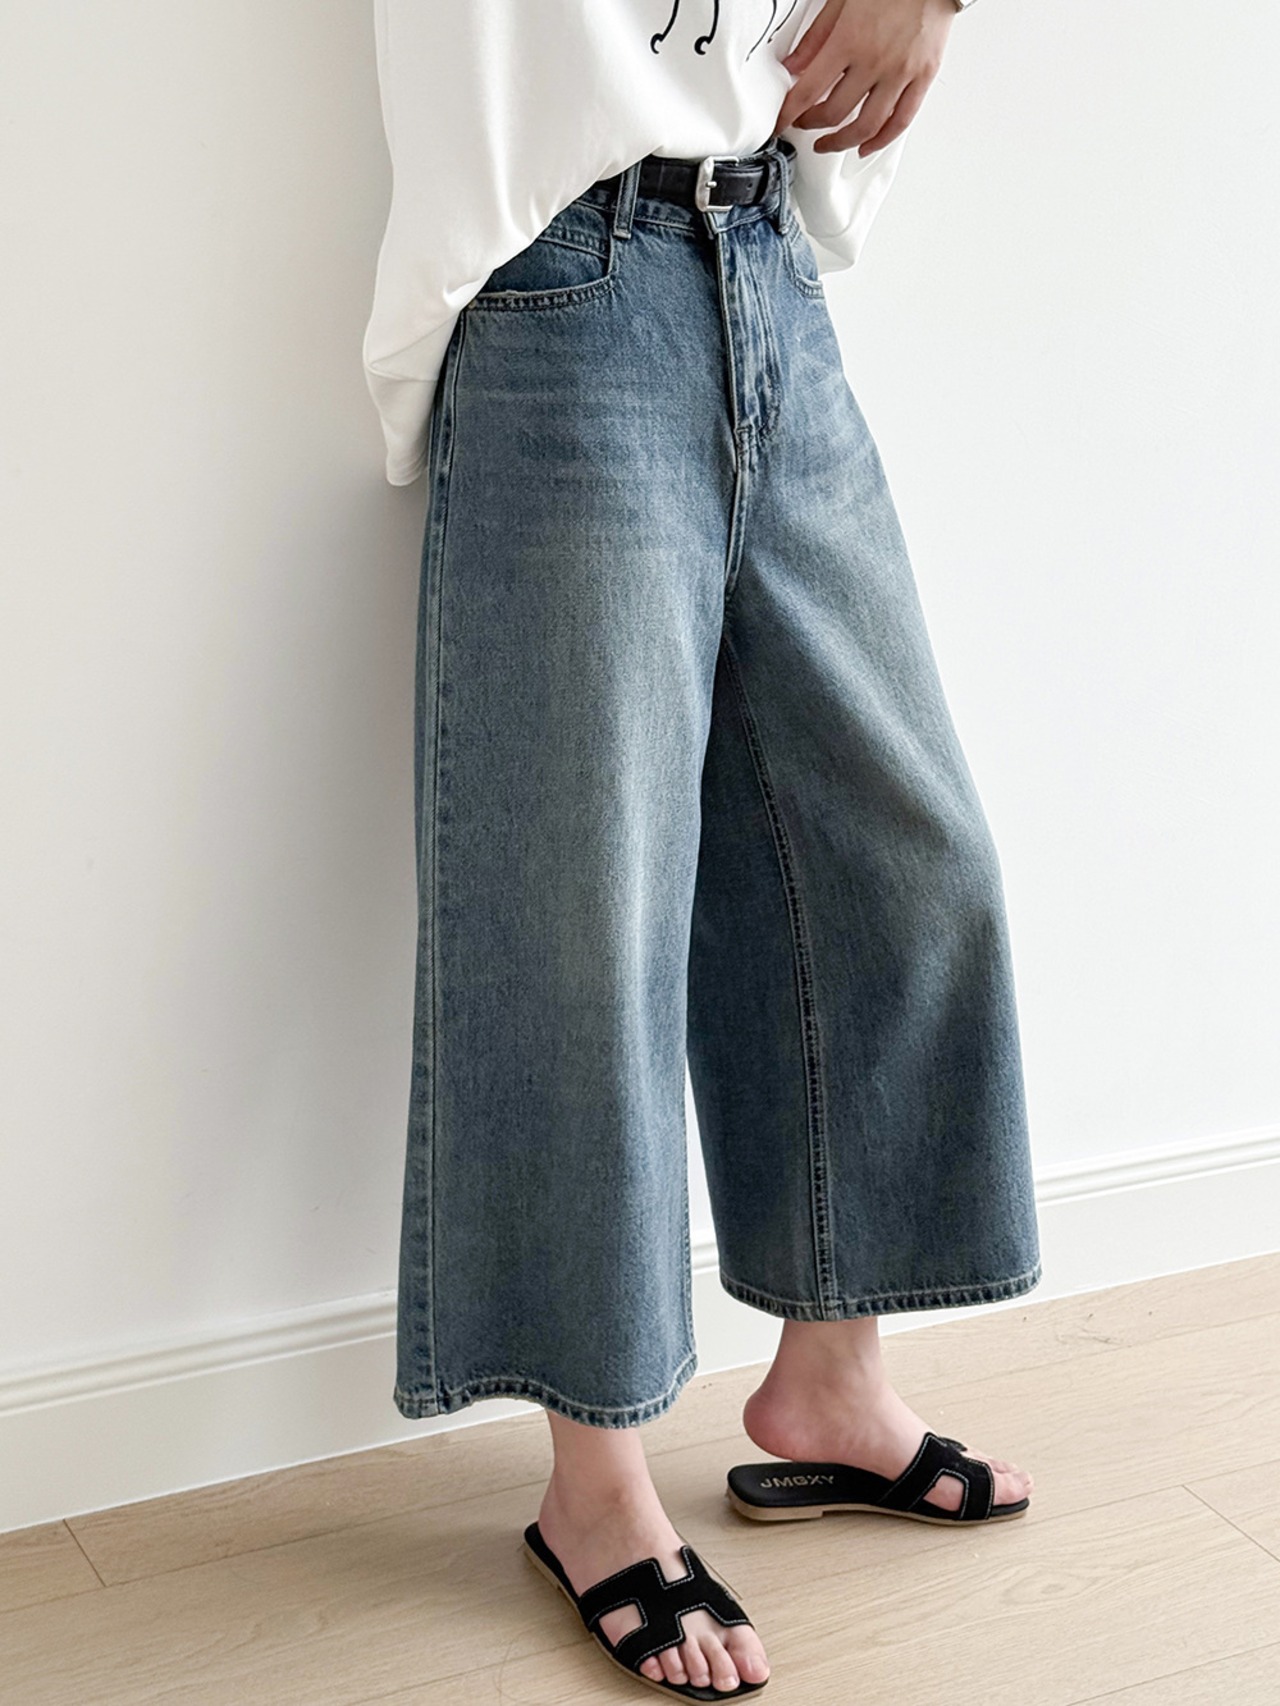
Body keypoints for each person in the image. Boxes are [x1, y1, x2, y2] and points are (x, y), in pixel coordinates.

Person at [363, 0, 1041, 1695]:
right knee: (577, 912)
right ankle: (592, 1483)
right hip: (562, 279)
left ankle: (830, 1379)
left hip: (770, 263)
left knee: (902, 854)